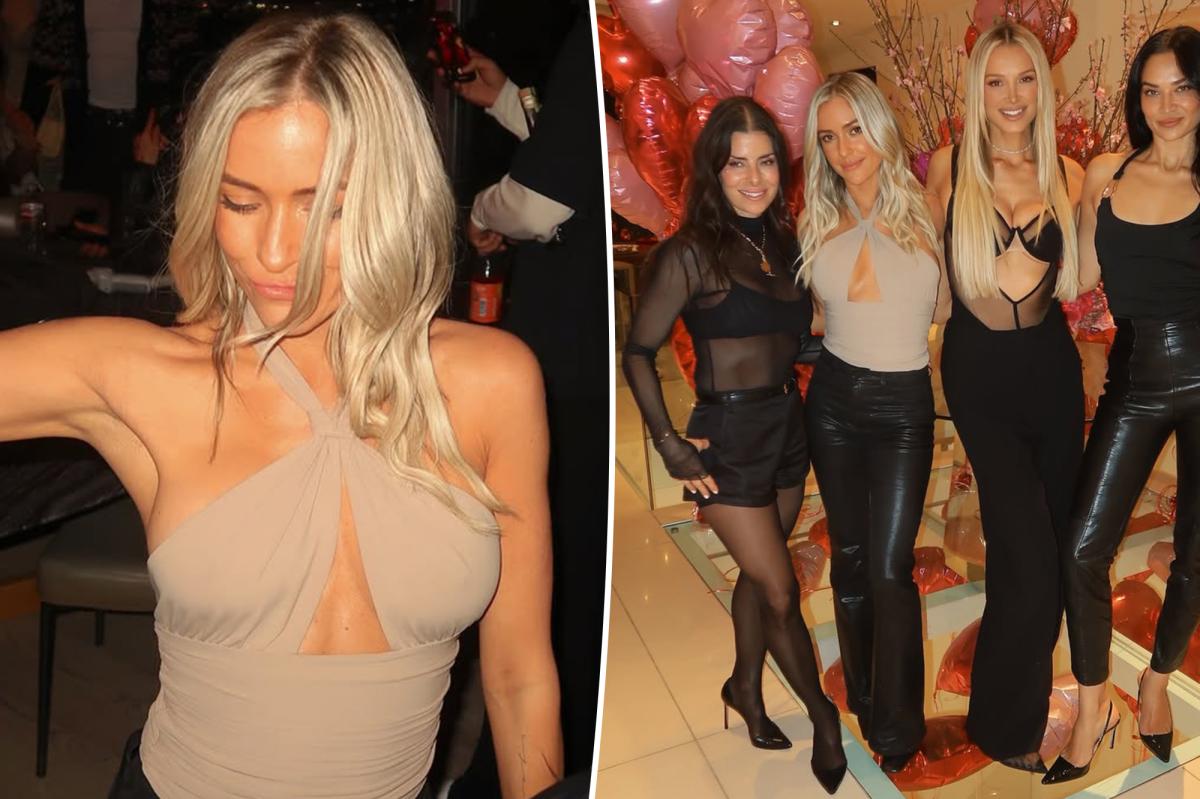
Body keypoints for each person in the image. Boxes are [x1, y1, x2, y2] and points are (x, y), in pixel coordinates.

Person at [0, 13, 562, 799]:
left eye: (323, 208)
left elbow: (518, 677)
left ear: (392, 198)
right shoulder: (144, 373)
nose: (272, 254)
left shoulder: (493, 381)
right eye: (240, 203)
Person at [623, 96, 846, 795]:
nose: (754, 178)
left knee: (760, 573)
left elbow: (787, 337)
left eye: (766, 162)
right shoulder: (689, 253)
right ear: (713, 170)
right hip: (726, 439)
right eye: (737, 164)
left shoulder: (783, 243)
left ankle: (744, 686)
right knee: (780, 590)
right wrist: (669, 444)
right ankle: (824, 717)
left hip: (786, 429)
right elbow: (637, 352)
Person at [441, 9, 608, 795]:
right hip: (596, 349)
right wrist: (510, 100)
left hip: (571, 355)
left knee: (554, 576)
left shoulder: (596, 35)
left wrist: (480, 211)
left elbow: (540, 201)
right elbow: (591, 153)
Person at [926, 21, 1090, 773]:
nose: (1012, 95)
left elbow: (1083, 276)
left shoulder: (1068, 172)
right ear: (978, 89)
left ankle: (1011, 710)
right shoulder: (952, 166)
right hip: (980, 374)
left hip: (1051, 372)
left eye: (1026, 79)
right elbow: (933, 279)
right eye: (996, 80)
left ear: (1043, 88)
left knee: (1053, 546)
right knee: (1027, 552)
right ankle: (1001, 724)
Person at [1048, 26, 1200, 784]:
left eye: (1183, 88)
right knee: (1082, 548)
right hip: (1134, 377)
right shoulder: (1107, 173)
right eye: (1151, 90)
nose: (1166, 106)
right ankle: (1093, 701)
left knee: (1197, 555)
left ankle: (1157, 680)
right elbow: (1078, 278)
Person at [797, 71, 949, 773]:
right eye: (829, 138)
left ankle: (897, 727)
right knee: (851, 557)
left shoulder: (931, 207)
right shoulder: (815, 217)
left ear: (879, 128)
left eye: (854, 130)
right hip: (832, 400)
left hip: (902, 408)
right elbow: (817, 316)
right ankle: (861, 692)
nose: (844, 149)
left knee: (891, 567)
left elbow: (948, 307)